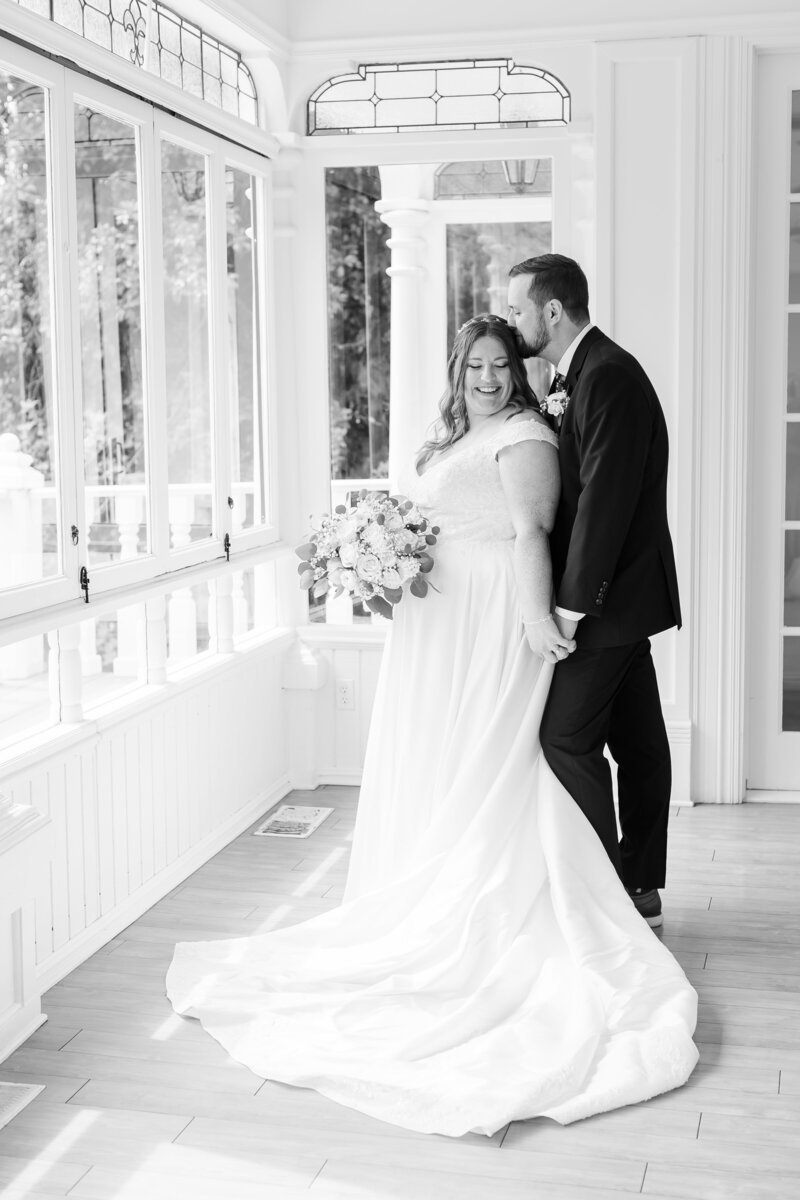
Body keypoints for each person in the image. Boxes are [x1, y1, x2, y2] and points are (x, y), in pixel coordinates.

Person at [167, 315, 697, 1138]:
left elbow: (531, 533)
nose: (487, 376)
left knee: (514, 758)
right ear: (458, 372)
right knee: (453, 761)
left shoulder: (525, 435)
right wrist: (380, 550)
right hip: (441, 629)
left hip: (491, 621)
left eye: (498, 364)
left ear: (516, 373)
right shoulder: (455, 434)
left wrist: (536, 621)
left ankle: (599, 898)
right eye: (474, 365)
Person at [507, 255, 681, 929]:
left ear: (552, 312)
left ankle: (607, 890)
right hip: (624, 603)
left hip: (604, 606)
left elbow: (604, 505)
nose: (514, 317)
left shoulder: (605, 376)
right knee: (639, 744)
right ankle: (638, 885)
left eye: (519, 307)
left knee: (564, 740)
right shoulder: (573, 374)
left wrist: (569, 609)